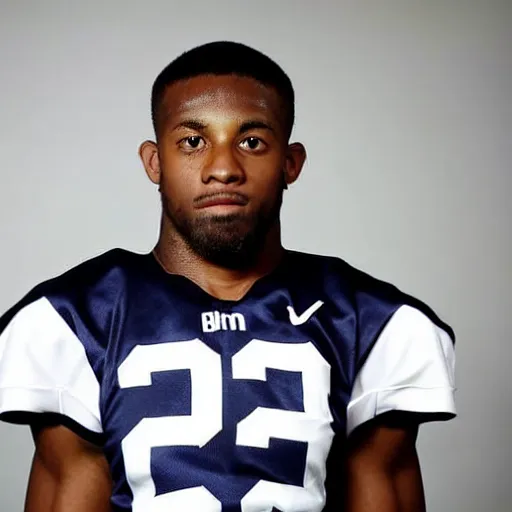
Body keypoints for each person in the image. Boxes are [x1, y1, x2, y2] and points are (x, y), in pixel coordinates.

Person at [0, 41, 456, 512]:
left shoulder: (367, 321)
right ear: (155, 162)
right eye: (193, 142)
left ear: (290, 162)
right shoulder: (78, 318)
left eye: (251, 141)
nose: (222, 169)